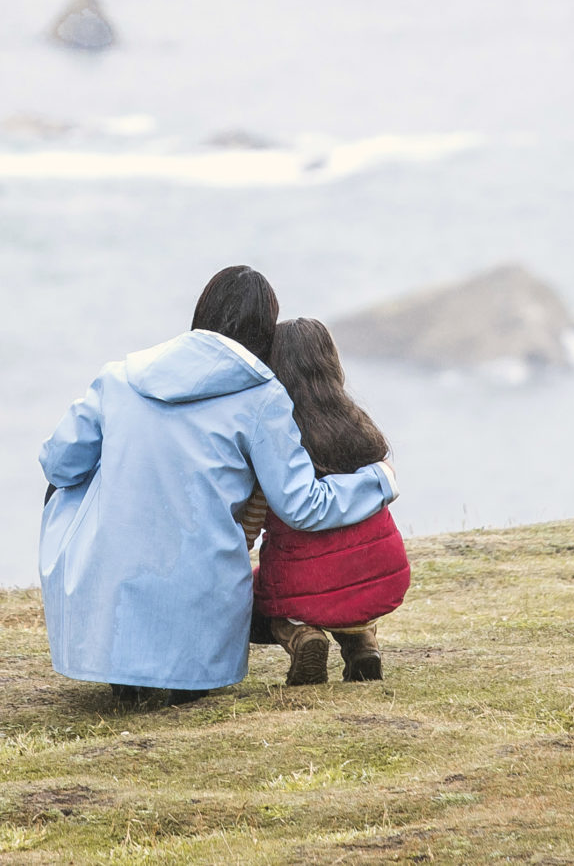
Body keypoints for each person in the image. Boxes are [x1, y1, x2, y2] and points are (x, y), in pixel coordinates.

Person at [39, 266, 398, 703]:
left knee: (68, 488)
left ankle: (121, 652)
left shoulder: (118, 377)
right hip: (200, 627)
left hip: (107, 611)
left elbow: (59, 465)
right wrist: (377, 481)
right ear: (265, 333)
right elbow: (302, 506)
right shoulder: (263, 399)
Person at [246, 318, 411, 685]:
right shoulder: (361, 428)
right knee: (346, 578)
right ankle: (361, 642)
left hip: (301, 587)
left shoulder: (278, 439)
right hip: (379, 579)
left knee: (255, 597)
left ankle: (301, 635)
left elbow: (254, 519)